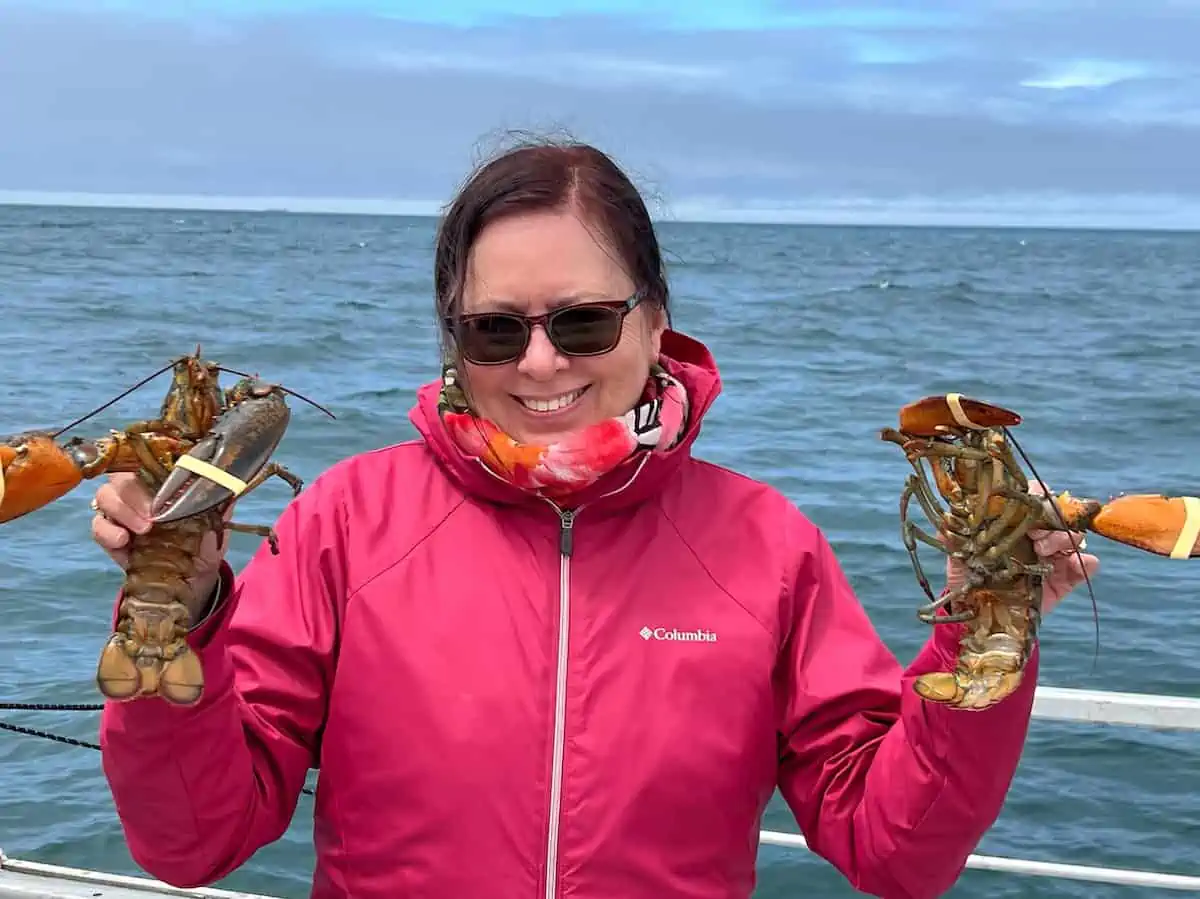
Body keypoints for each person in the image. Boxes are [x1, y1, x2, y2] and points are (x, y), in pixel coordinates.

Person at [92, 138, 1098, 899]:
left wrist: (983, 632)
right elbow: (193, 840)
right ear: (454, 335)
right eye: (496, 328)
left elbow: (898, 846)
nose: (540, 362)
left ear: (655, 319)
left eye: (583, 320)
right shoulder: (341, 519)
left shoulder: (768, 543)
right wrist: (178, 609)